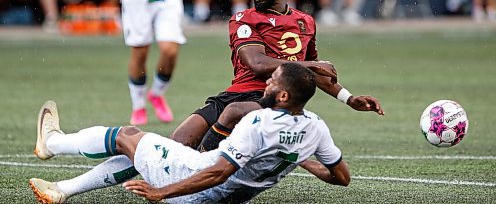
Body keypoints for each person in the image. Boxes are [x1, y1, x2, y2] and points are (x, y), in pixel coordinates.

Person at [29, 63, 352, 204]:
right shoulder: (315, 127)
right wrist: (299, 158)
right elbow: (342, 177)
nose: (266, 83)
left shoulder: (259, 123)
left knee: (125, 136)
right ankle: (62, 190)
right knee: (143, 152)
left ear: (283, 97)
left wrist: (162, 193)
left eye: (273, 82)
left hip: (191, 183)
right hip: (228, 199)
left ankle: (53, 142)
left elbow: (217, 173)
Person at [170, 0, 383, 150]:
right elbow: (258, 64)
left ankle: (201, 168)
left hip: (270, 100)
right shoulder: (243, 19)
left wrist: (349, 98)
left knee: (205, 156)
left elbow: (318, 73)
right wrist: (311, 64)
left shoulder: (305, 21)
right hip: (234, 96)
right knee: (177, 143)